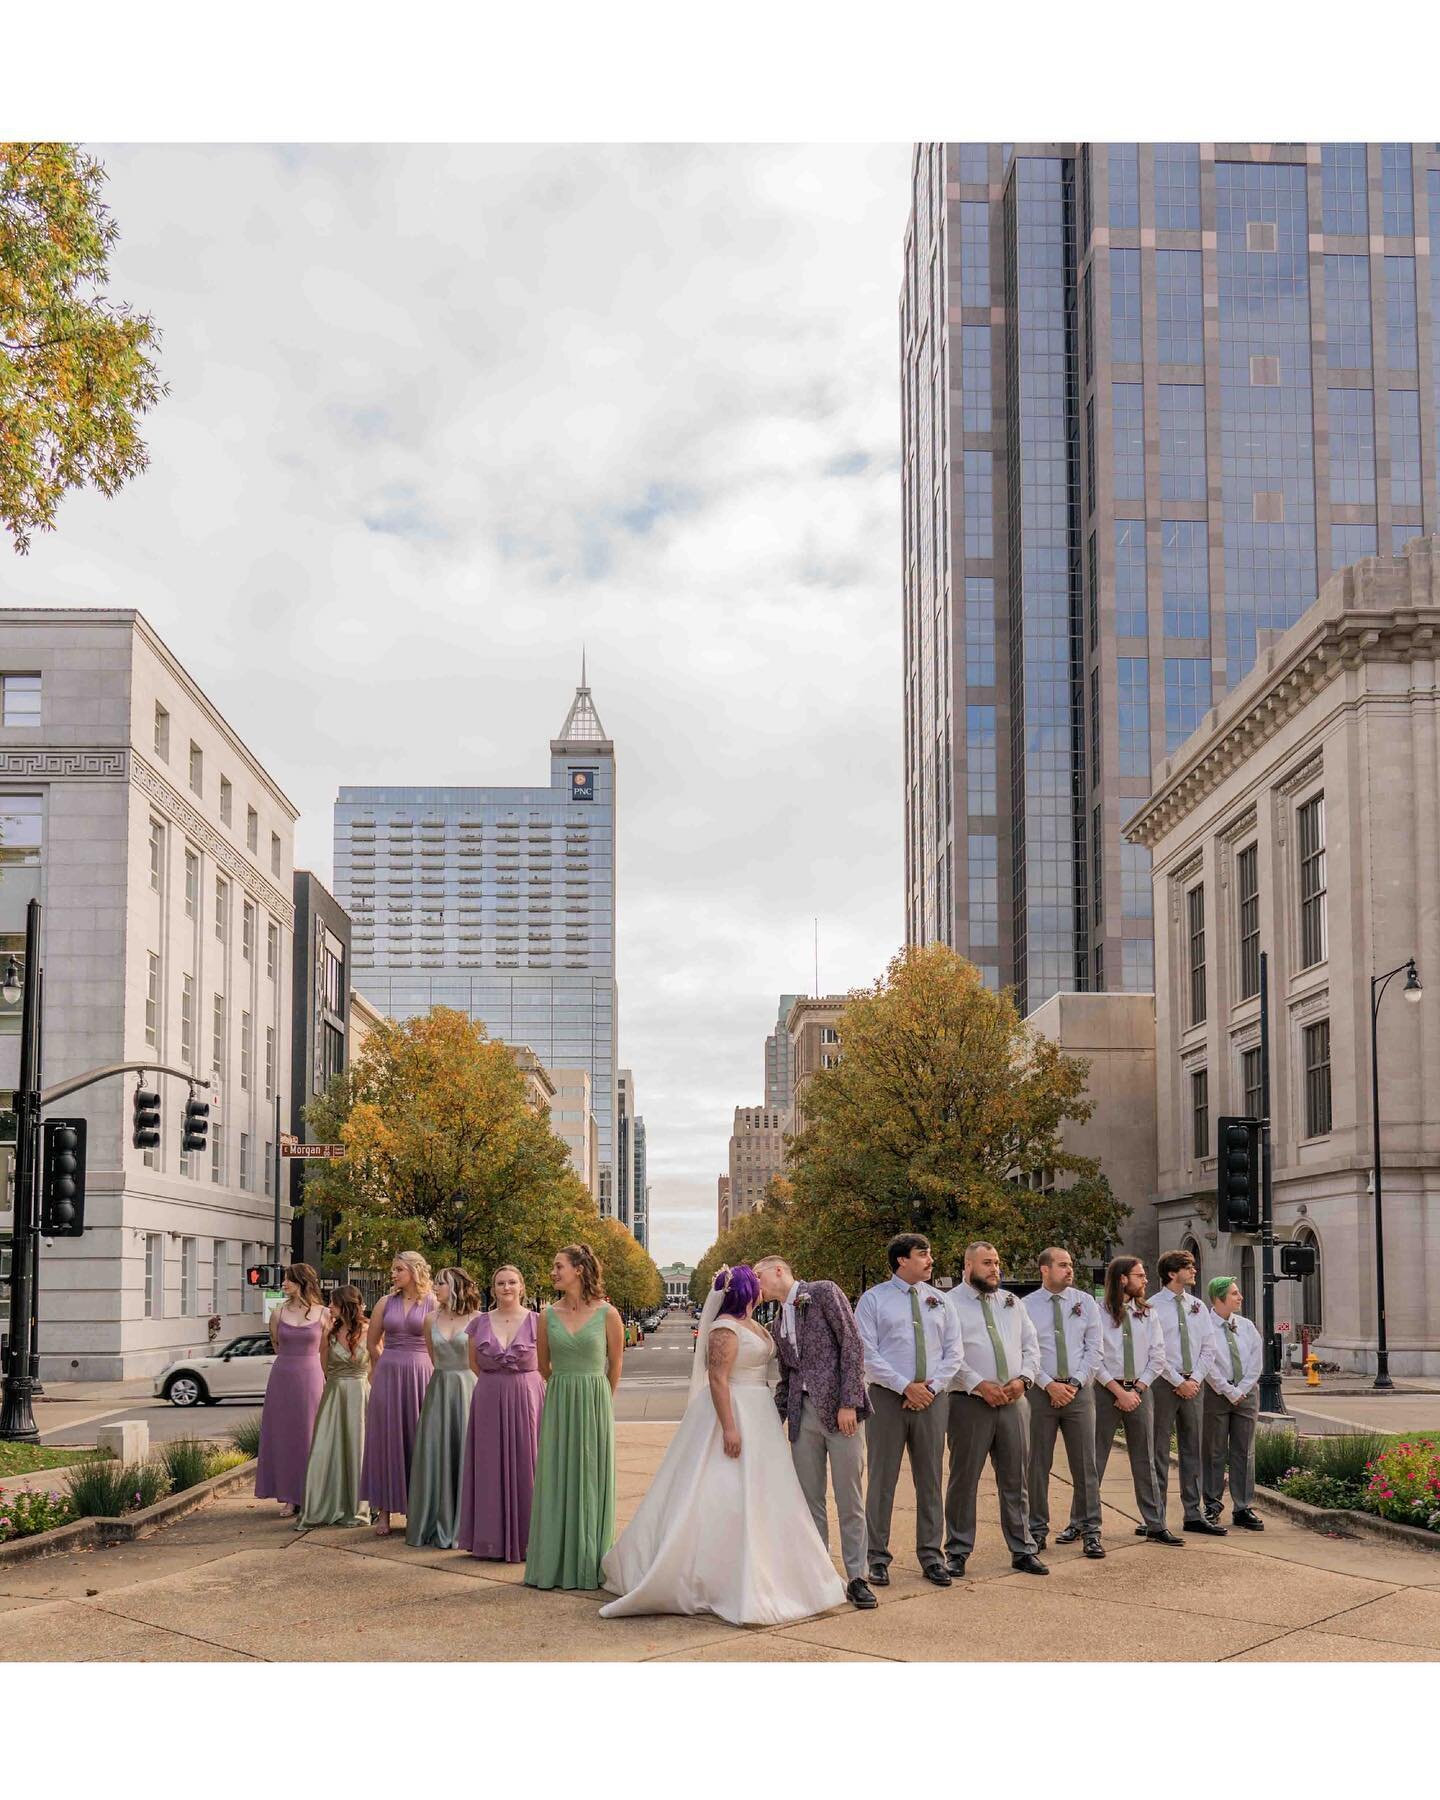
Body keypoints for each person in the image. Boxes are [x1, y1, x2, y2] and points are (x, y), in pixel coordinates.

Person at [600, 1265, 847, 1625]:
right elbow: (717, 1379)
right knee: (722, 1490)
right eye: (756, 1282)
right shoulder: (724, 1328)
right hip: (734, 1412)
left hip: (760, 1413)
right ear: (746, 1290)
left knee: (766, 1494)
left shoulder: (756, 1325)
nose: (762, 1286)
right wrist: (729, 1427)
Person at [754, 1254, 873, 1608]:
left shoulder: (823, 1292)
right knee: (810, 1501)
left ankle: (857, 1576)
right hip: (802, 1416)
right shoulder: (777, 1321)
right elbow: (788, 1376)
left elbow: (852, 1346)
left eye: (758, 1276)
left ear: (778, 1271)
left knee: (850, 1498)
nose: (755, 1285)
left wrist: (849, 1402)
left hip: (841, 1414)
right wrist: (770, 1422)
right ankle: (820, 1574)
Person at [854, 1233, 963, 1589]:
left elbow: (954, 1353)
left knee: (931, 1479)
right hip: (887, 1399)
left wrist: (929, 1388)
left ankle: (932, 1556)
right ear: (902, 1260)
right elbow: (866, 1353)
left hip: (933, 1399)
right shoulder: (873, 1300)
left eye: (930, 1253)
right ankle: (877, 1557)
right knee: (882, 1480)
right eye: (923, 1254)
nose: (930, 1260)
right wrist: (905, 1386)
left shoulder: (941, 1301)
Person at [943, 1242, 1045, 1578]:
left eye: (997, 1263)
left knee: (1016, 1478)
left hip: (1014, 1402)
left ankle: (1022, 1548)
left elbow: (1032, 1346)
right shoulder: (947, 1304)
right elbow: (947, 1354)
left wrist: (1025, 1380)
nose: (995, 1269)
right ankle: (957, 1550)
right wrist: (978, 1384)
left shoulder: (1012, 1303)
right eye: (987, 1263)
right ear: (968, 1265)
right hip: (969, 1403)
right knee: (964, 1479)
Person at [525, 1243, 622, 1591]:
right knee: (557, 1477)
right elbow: (542, 1366)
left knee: (591, 1479)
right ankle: (554, 1561)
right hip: (561, 1400)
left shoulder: (608, 1314)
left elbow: (616, 1366)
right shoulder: (547, 1315)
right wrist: (567, 1388)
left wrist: (599, 1399)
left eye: (558, 1266)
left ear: (578, 1270)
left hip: (595, 1402)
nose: (553, 1272)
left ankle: (588, 1561)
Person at [1022, 1247, 1105, 1559]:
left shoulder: (1085, 1303)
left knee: (1086, 1465)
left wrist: (1074, 1382)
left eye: (1070, 1265)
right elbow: (1025, 1350)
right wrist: (1047, 1384)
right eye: (1062, 1265)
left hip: (1078, 1392)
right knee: (1037, 1464)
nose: (1069, 1270)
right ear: (1045, 1269)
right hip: (1040, 1393)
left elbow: (1094, 1348)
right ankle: (1036, 1530)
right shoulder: (1026, 1306)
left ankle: (1091, 1530)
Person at [459, 1264, 545, 1563]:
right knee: (488, 1464)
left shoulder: (538, 1321)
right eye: (500, 1283)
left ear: (522, 1287)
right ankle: (490, 1539)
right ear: (492, 1289)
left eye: (511, 1282)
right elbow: (474, 1363)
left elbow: (548, 1363)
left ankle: (529, 1538)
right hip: (488, 1397)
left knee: (528, 1461)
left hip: (527, 1397)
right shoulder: (479, 1323)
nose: (506, 1288)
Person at [1094, 1256, 1181, 1546]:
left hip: (1141, 1391)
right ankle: (1082, 1523)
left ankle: (1155, 1523)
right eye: (1140, 1276)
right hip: (1106, 1390)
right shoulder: (1099, 1312)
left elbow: (1158, 1355)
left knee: (1146, 1459)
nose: (1145, 1281)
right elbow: (1095, 1357)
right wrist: (1118, 1391)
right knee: (1094, 1461)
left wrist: (1138, 1389)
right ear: (1122, 1279)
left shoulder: (1148, 1312)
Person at [359, 1251, 438, 1536]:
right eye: (392, 1270)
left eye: (398, 1269)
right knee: (386, 1440)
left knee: (420, 1441)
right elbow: (372, 1343)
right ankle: (384, 1512)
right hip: (389, 1374)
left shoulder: (434, 1302)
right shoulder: (384, 1302)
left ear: (414, 1271)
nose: (393, 1274)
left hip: (422, 1373)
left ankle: (421, 1509)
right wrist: (383, 1369)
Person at [1148, 1248, 1225, 1536]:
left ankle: (1193, 1514)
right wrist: (1175, 1379)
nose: (1194, 1270)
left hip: (1194, 1384)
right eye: (1188, 1266)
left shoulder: (1199, 1306)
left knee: (1193, 1447)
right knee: (1158, 1450)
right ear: (1172, 1273)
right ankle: (1155, 1517)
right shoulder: (1152, 1306)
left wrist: (1195, 1379)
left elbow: (1209, 1346)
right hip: (1163, 1383)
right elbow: (1154, 1349)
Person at [405, 1266, 481, 1548]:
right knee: (437, 1453)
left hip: (468, 1388)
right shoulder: (429, 1320)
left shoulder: (477, 1319)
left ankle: (466, 1523)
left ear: (457, 1287)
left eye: (441, 1283)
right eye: (435, 1282)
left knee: (466, 1453)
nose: (435, 1288)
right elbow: (433, 1355)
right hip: (439, 1389)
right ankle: (435, 1520)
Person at [296, 1287, 371, 1530]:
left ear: (346, 1304)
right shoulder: (328, 1333)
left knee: (358, 1448)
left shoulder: (370, 1331)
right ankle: (326, 1504)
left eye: (333, 1302)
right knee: (328, 1449)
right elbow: (325, 1367)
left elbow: (377, 1363)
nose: (330, 1306)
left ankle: (360, 1507)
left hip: (361, 1394)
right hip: (335, 1394)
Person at [255, 1262, 326, 1517]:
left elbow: (326, 1350)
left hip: (312, 1376)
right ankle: (289, 1495)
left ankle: (312, 1493)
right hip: (283, 1377)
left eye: (289, 1280)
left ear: (303, 1283)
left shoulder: (323, 1313)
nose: (284, 1284)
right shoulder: (278, 1313)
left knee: (310, 1435)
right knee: (285, 1437)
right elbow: (276, 1344)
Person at [1202, 1275, 1265, 1531]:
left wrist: (1242, 1388)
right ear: (1219, 1298)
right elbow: (1206, 1361)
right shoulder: (1204, 1325)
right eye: (1234, 1293)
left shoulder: (1247, 1326)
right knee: (1214, 1451)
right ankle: (1212, 1504)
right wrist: (1227, 1389)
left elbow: (1255, 1360)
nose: (1240, 1297)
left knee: (1244, 1451)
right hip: (1215, 1394)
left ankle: (1243, 1506)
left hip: (1246, 1395)